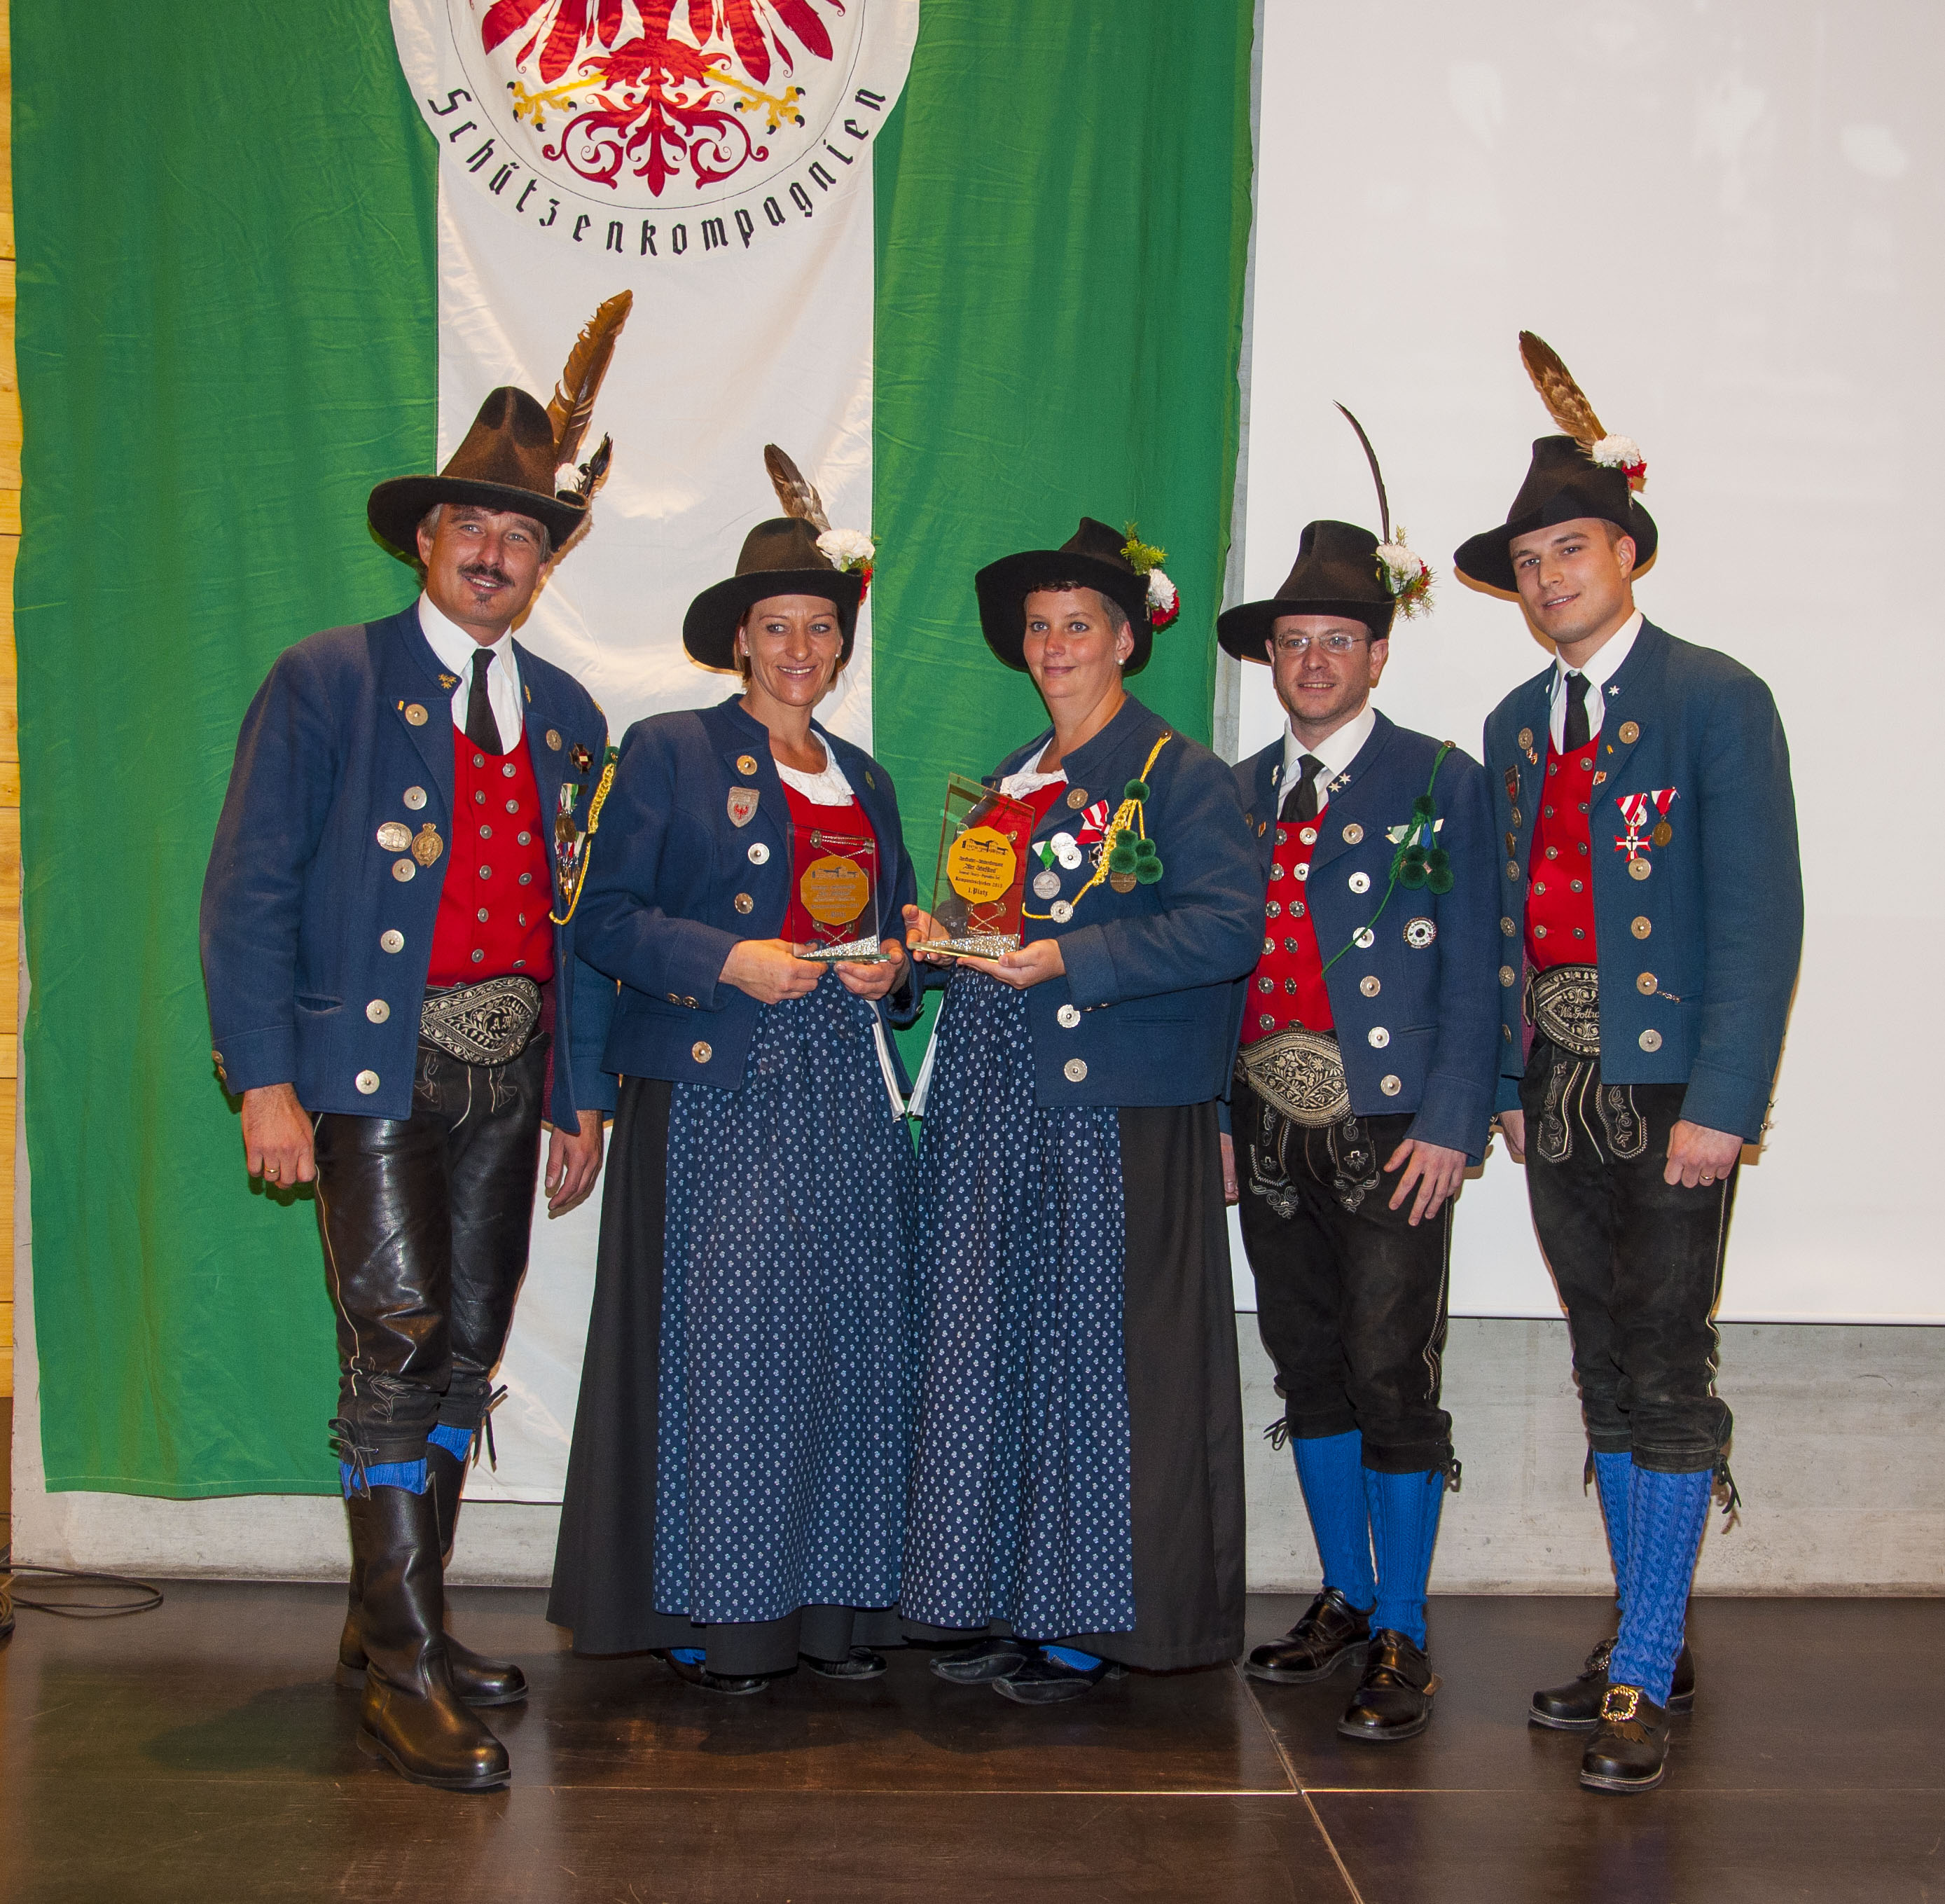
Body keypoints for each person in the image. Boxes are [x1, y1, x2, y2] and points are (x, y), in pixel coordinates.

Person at [200, 333, 628, 1793]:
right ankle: (402, 1669)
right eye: (475, 530)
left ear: (542, 561)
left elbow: (576, 922)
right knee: (391, 1347)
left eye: (523, 535)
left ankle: (407, 1624)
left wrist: (580, 1089)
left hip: (516, 1078)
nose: (498, 555)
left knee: (462, 1351)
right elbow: (249, 889)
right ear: (428, 542)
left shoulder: (569, 719)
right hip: (371, 1074)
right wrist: (265, 1078)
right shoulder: (327, 683)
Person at [1458, 334, 1801, 1794]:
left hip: (1670, 1096)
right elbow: (1498, 933)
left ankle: (1645, 1665)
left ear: (1627, 551)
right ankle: (1644, 1630)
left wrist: (1722, 1105)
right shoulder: (1513, 731)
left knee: (1667, 1367)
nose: (1547, 578)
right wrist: (1506, 1089)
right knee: (1608, 1367)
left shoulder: (1716, 698)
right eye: (1528, 559)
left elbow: (1758, 915)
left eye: (1570, 549)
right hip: (1560, 1095)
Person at [548, 450, 922, 1694]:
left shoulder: (864, 779)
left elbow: (905, 931)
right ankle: (726, 1616)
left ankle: (833, 1618)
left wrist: (891, 974)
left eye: (820, 625)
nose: (801, 647)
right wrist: (729, 959)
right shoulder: (667, 750)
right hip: (722, 1088)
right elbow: (599, 920)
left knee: (853, 1345)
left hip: (848, 1096)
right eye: (778, 626)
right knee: (731, 1352)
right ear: (742, 642)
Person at [899, 517, 1261, 1703]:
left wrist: (1067, 958)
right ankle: (1009, 1596)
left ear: (1125, 640)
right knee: (1002, 1353)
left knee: (1100, 1368)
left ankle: (1093, 1623)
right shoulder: (1008, 779)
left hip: (1109, 1108)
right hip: (996, 1101)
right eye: (1040, 627)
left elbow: (1223, 929)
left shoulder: (1179, 776)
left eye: (1078, 626)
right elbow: (983, 922)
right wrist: (932, 943)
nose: (1054, 645)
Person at [1219, 414, 1498, 1744]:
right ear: (1268, 659)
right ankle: (1341, 1590)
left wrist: (1452, 1121)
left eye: (1336, 640)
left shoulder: (1438, 781)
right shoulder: (1228, 793)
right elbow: (1212, 977)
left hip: (1393, 1126)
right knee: (1305, 1362)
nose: (1312, 660)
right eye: (1291, 641)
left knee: (1394, 1371)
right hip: (1265, 1122)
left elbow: (1476, 971)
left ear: (1377, 655)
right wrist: (1221, 1121)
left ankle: (1404, 1626)